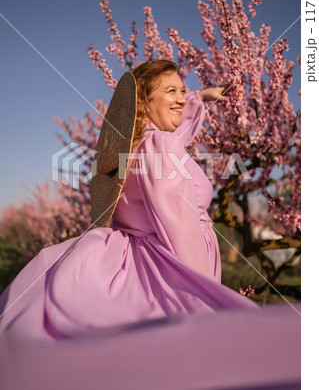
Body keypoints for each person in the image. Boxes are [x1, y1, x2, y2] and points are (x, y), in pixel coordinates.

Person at [0, 60, 300, 389]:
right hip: (164, 267)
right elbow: (178, 223)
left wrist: (202, 97)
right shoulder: (160, 148)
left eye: (183, 91)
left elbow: (175, 130)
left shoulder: (143, 145)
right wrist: (202, 292)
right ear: (144, 104)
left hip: (132, 257)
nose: (181, 98)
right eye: (171, 91)